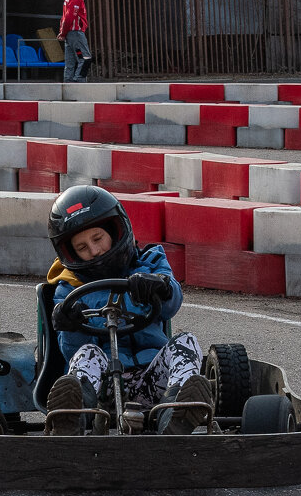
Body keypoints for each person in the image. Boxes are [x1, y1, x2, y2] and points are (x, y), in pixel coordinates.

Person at [44, 185, 212, 435]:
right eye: (82, 248)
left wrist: (160, 287)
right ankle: (73, 418)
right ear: (70, 253)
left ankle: (175, 414)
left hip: (153, 379)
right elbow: (71, 352)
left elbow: (171, 303)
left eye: (98, 239)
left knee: (186, 341)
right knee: (87, 352)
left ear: (115, 230)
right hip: (105, 391)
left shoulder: (149, 262)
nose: (94, 251)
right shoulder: (69, 289)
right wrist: (70, 325)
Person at [56, 0, 91, 82]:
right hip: (76, 34)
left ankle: (68, 83)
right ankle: (78, 82)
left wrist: (63, 32)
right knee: (85, 58)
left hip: (69, 36)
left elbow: (64, 17)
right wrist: (63, 33)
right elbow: (69, 17)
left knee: (70, 61)